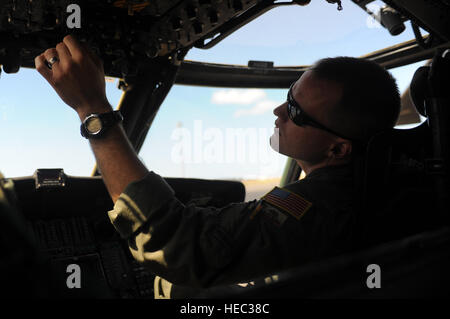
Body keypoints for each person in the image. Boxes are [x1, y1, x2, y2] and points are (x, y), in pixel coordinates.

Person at [35, 35, 400, 298]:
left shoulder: (322, 207)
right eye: (288, 97)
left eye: (295, 112)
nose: (278, 112)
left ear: (338, 148)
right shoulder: (387, 187)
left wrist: (92, 109)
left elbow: (178, 246)